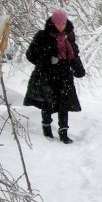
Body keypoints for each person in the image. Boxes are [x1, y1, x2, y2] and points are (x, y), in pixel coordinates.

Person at [23, 8, 86, 143]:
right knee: (47, 104)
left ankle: (63, 132)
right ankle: (47, 129)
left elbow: (74, 54)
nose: (60, 26)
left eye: (63, 23)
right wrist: (46, 61)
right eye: (58, 23)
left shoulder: (69, 36)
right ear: (52, 22)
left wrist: (79, 69)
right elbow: (30, 55)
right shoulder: (42, 36)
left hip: (64, 76)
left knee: (64, 104)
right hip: (47, 76)